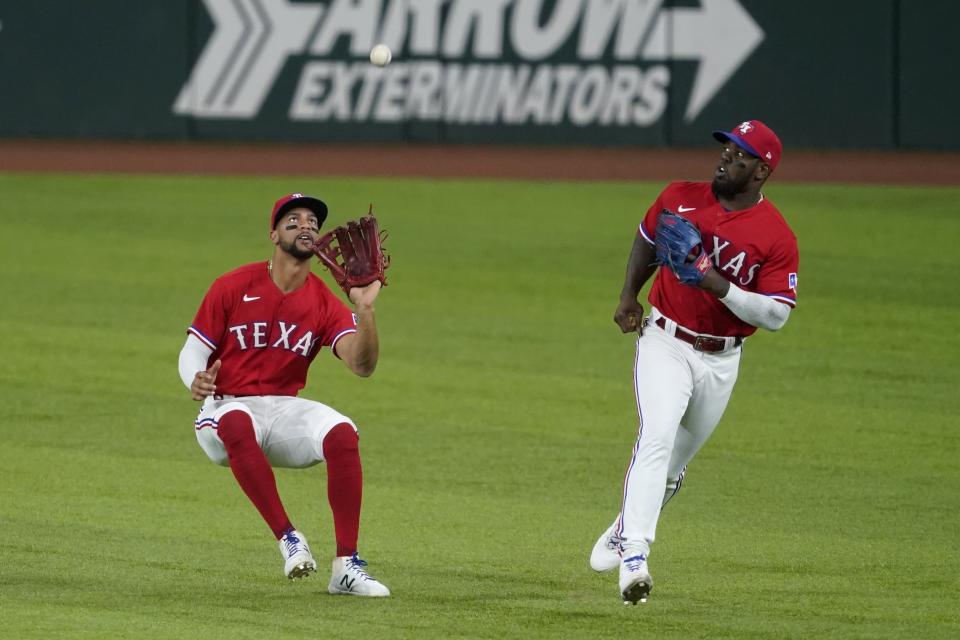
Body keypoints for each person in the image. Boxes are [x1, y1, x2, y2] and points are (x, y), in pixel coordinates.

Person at [590, 120, 799, 605]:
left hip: (722, 360)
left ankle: (625, 527)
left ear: (762, 171)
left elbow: (775, 316)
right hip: (664, 339)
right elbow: (647, 237)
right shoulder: (679, 195)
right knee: (657, 435)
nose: (727, 158)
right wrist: (628, 296)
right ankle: (636, 557)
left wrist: (713, 281)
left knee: (672, 467)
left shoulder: (776, 236)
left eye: (741, 155)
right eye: (727, 148)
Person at [177, 193, 390, 597]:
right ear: (273, 234)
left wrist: (365, 311)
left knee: (343, 433)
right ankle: (289, 538)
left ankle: (346, 566)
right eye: (292, 219)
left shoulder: (324, 301)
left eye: (312, 220)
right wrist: (197, 378)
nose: (305, 225)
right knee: (237, 421)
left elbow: (362, 365)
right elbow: (193, 350)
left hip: (282, 409)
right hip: (224, 407)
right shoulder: (233, 285)